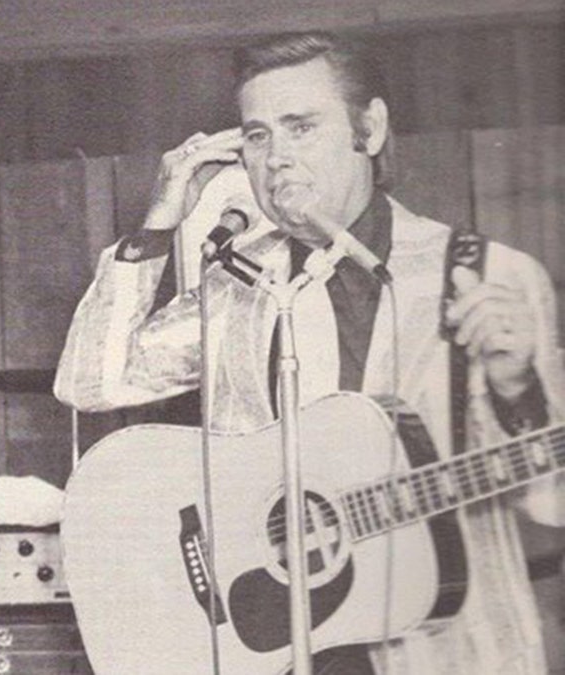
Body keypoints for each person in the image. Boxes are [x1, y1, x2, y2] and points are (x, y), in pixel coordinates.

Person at [55, 32, 565, 673]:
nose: (275, 160)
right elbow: (90, 382)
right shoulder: (237, 283)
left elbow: (552, 502)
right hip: (276, 650)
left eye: (301, 127)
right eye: (258, 136)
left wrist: (521, 390)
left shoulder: (486, 277)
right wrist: (156, 224)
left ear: (369, 129)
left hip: (444, 652)